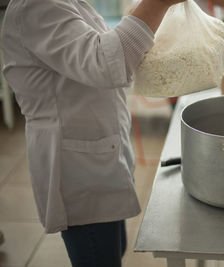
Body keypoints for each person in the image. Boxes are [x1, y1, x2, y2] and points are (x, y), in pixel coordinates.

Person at [1, 0, 184, 266]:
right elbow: (105, 63)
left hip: (101, 155)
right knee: (98, 256)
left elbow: (99, 50)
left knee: (113, 247)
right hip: (79, 172)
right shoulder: (37, 6)